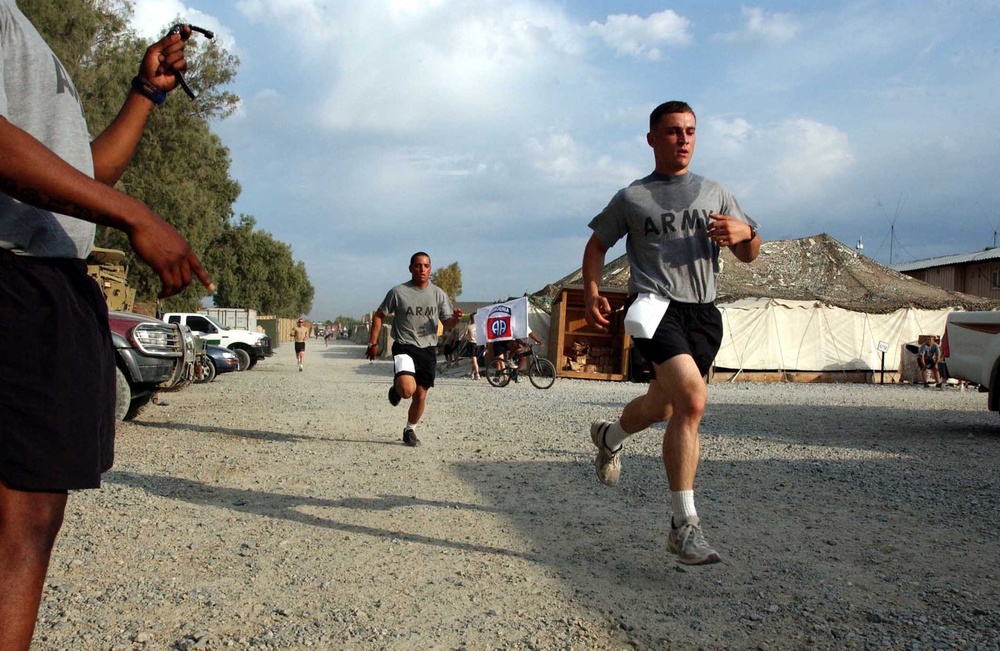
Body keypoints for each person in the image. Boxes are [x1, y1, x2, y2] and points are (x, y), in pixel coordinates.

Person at [0, 8, 212, 649]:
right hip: (13, 276)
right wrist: (137, 217)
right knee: (19, 524)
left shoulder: (20, 26)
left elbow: (82, 178)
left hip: (42, 277)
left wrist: (145, 94)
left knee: (31, 517)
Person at [582, 100, 761, 566]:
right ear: (652, 139)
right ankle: (684, 526)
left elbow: (749, 254)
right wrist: (592, 290)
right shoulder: (632, 197)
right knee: (693, 402)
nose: (683, 139)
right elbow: (598, 243)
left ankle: (609, 438)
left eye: (690, 131)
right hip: (654, 308)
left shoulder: (716, 192)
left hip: (702, 313)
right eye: (672, 131)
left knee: (661, 406)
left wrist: (746, 233)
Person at [366, 252, 463, 446]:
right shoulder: (398, 292)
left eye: (426, 266)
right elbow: (379, 315)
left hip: (427, 348)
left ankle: (410, 429)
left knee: (420, 395)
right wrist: (373, 342)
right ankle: (398, 388)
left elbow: (448, 322)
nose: (422, 269)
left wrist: (456, 319)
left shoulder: (438, 294)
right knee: (408, 390)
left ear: (430, 269)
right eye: (418, 265)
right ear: (410, 268)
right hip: (404, 345)